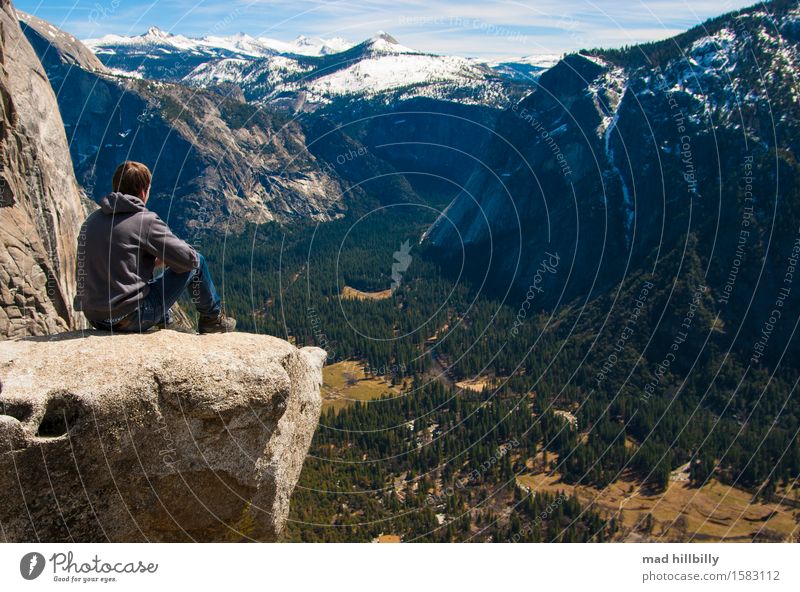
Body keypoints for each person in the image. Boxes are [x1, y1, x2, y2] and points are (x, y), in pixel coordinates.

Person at [73, 161, 236, 334]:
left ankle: (166, 320)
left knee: (140, 277)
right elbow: (188, 260)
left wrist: (148, 259)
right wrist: (166, 258)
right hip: (129, 318)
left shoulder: (91, 221)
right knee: (198, 261)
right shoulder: (145, 221)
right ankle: (212, 319)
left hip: (95, 318)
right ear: (144, 191)